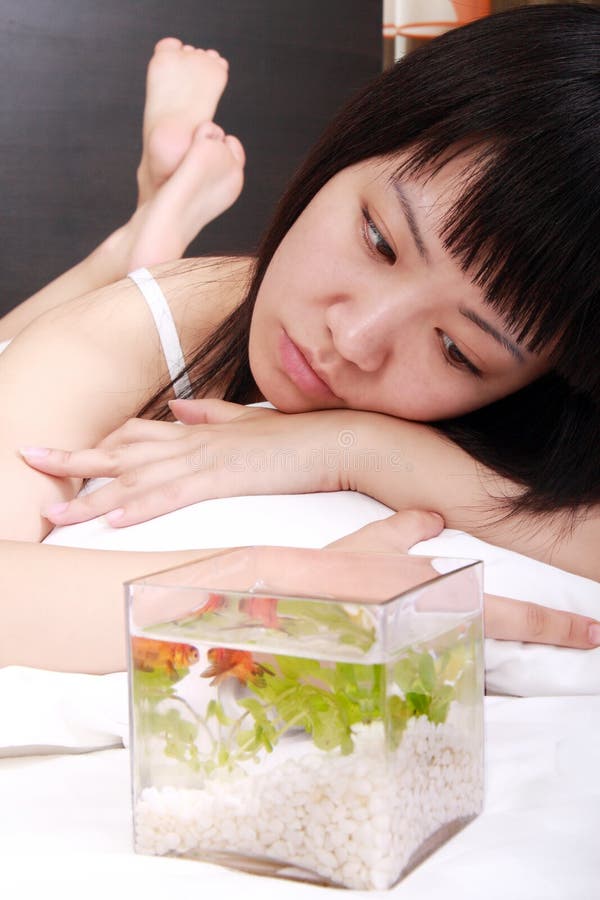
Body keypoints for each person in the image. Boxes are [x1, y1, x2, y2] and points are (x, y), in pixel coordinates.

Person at [0, 5, 598, 674]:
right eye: (379, 241)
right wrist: (262, 589)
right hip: (162, 311)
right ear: (353, 146)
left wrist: (358, 449)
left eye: (457, 349)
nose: (352, 336)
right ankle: (141, 240)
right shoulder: (140, 326)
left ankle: (148, 230)